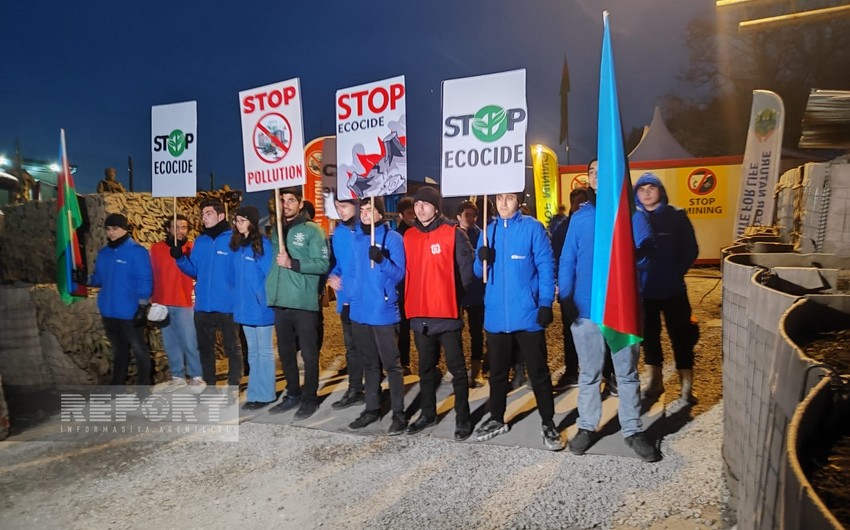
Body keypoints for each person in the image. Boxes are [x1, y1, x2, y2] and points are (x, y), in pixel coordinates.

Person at [558, 186, 662, 462]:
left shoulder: (632, 214)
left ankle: (632, 429)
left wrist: (640, 252)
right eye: (592, 172)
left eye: (600, 170)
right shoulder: (580, 219)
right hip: (587, 309)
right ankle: (587, 426)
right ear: (591, 180)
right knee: (589, 374)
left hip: (621, 309)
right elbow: (568, 258)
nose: (597, 175)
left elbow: (647, 260)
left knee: (626, 374)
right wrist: (566, 297)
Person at [472, 192, 564, 451]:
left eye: (509, 198)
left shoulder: (532, 228)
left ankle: (548, 421)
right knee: (498, 374)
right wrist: (482, 258)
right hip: (497, 317)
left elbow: (547, 266)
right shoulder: (488, 231)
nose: (503, 203)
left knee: (539, 373)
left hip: (528, 315)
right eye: (499, 198)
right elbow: (479, 274)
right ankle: (497, 417)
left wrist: (545, 302)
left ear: (517, 201)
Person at [403, 186, 475, 441]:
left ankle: (463, 417)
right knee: (425, 369)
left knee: (457, 370)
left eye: (425, 204)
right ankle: (428, 413)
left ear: (436, 207)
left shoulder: (453, 234)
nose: (419, 208)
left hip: (446, 314)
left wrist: (453, 298)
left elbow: (467, 274)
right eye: (417, 204)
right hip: (420, 315)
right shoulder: (408, 236)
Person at [633, 172, 699, 412]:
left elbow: (690, 249)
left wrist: (675, 272)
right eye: (642, 189)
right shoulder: (632, 218)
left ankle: (686, 386)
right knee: (649, 339)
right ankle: (655, 381)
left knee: (681, 337)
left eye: (652, 187)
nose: (647, 192)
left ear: (660, 190)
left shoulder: (676, 216)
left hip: (673, 290)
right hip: (645, 292)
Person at [266, 187, 330, 420]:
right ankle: (292, 393)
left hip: (303, 302)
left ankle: (310, 397)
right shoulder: (277, 230)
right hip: (281, 301)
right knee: (286, 353)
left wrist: (292, 263)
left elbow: (322, 264)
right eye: (282, 200)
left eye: (291, 200)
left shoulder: (313, 231)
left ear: (300, 204)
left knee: (310, 354)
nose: (286, 204)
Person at [346, 198, 407, 434]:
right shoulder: (357, 238)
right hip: (360, 311)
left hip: (382, 312)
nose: (364, 214)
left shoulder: (392, 239)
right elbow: (353, 272)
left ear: (380, 214)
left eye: (369, 209)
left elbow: (399, 274)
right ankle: (371, 408)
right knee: (369, 364)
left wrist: (381, 259)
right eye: (362, 210)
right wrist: (349, 297)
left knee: (392, 365)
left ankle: (399, 414)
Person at [173, 199, 242, 394]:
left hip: (227, 305)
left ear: (221, 215)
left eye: (209, 213)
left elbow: (240, 271)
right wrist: (179, 258)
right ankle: (210, 387)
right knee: (205, 350)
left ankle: (233, 386)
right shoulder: (200, 242)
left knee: (232, 348)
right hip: (203, 305)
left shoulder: (233, 240)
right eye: (203, 214)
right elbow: (194, 270)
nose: (204, 217)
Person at [82, 213, 152, 386]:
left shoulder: (137, 252)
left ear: (124, 229)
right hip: (109, 311)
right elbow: (100, 279)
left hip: (129, 311)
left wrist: (142, 306)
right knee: (119, 351)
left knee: (139, 350)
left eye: (115, 229)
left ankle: (144, 386)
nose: (111, 233)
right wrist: (85, 279)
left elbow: (145, 279)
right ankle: (117, 385)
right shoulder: (104, 253)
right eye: (108, 229)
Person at [149, 214, 204, 393]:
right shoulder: (156, 249)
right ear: (167, 229)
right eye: (175, 227)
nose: (180, 231)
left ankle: (196, 375)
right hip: (163, 302)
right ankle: (177, 376)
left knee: (190, 341)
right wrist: (152, 299)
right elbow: (152, 274)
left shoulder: (191, 248)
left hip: (184, 301)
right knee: (170, 342)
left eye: (183, 227)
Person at [229, 206, 276, 410]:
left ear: (252, 222)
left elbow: (270, 275)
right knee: (253, 352)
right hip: (244, 307)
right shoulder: (238, 246)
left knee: (264, 351)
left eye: (242, 220)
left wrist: (263, 297)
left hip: (260, 307)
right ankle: (255, 392)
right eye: (236, 220)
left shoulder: (262, 245)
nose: (238, 223)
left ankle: (266, 394)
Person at [327, 196, 365, 410]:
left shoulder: (368, 230)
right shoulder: (339, 233)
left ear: (357, 205)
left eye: (344, 206)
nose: (340, 211)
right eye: (337, 207)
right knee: (351, 349)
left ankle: (373, 389)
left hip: (366, 300)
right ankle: (354, 390)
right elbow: (338, 264)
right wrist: (332, 277)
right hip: (347, 300)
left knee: (369, 348)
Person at [550, 188, 589, 390]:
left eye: (583, 202)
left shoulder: (595, 222)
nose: (579, 206)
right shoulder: (563, 228)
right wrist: (559, 285)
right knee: (570, 332)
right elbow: (555, 257)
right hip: (569, 291)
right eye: (576, 202)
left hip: (590, 290)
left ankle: (607, 375)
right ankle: (572, 372)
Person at [456, 200, 486, 387]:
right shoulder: (450, 234)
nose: (470, 218)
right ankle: (457, 369)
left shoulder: (482, 235)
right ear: (458, 216)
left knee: (477, 332)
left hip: (476, 291)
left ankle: (477, 370)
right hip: (456, 291)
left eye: (473, 215)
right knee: (455, 333)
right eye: (466, 215)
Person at [394, 196, 415, 372]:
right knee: (402, 327)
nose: (413, 216)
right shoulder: (397, 236)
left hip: (416, 286)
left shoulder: (420, 232)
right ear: (401, 215)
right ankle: (403, 361)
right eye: (409, 213)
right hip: (402, 287)